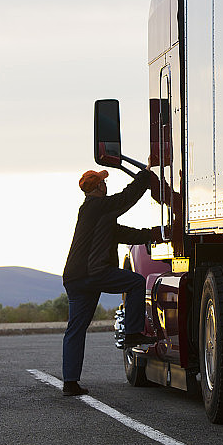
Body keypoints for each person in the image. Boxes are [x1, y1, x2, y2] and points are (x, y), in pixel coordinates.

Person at [62, 165, 163, 397]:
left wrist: (150, 234)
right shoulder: (98, 206)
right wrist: (145, 175)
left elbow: (120, 234)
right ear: (98, 187)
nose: (106, 185)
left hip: (75, 278)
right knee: (136, 282)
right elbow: (126, 198)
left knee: (75, 330)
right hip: (93, 274)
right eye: (103, 182)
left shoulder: (94, 213)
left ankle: (70, 383)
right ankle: (132, 333)